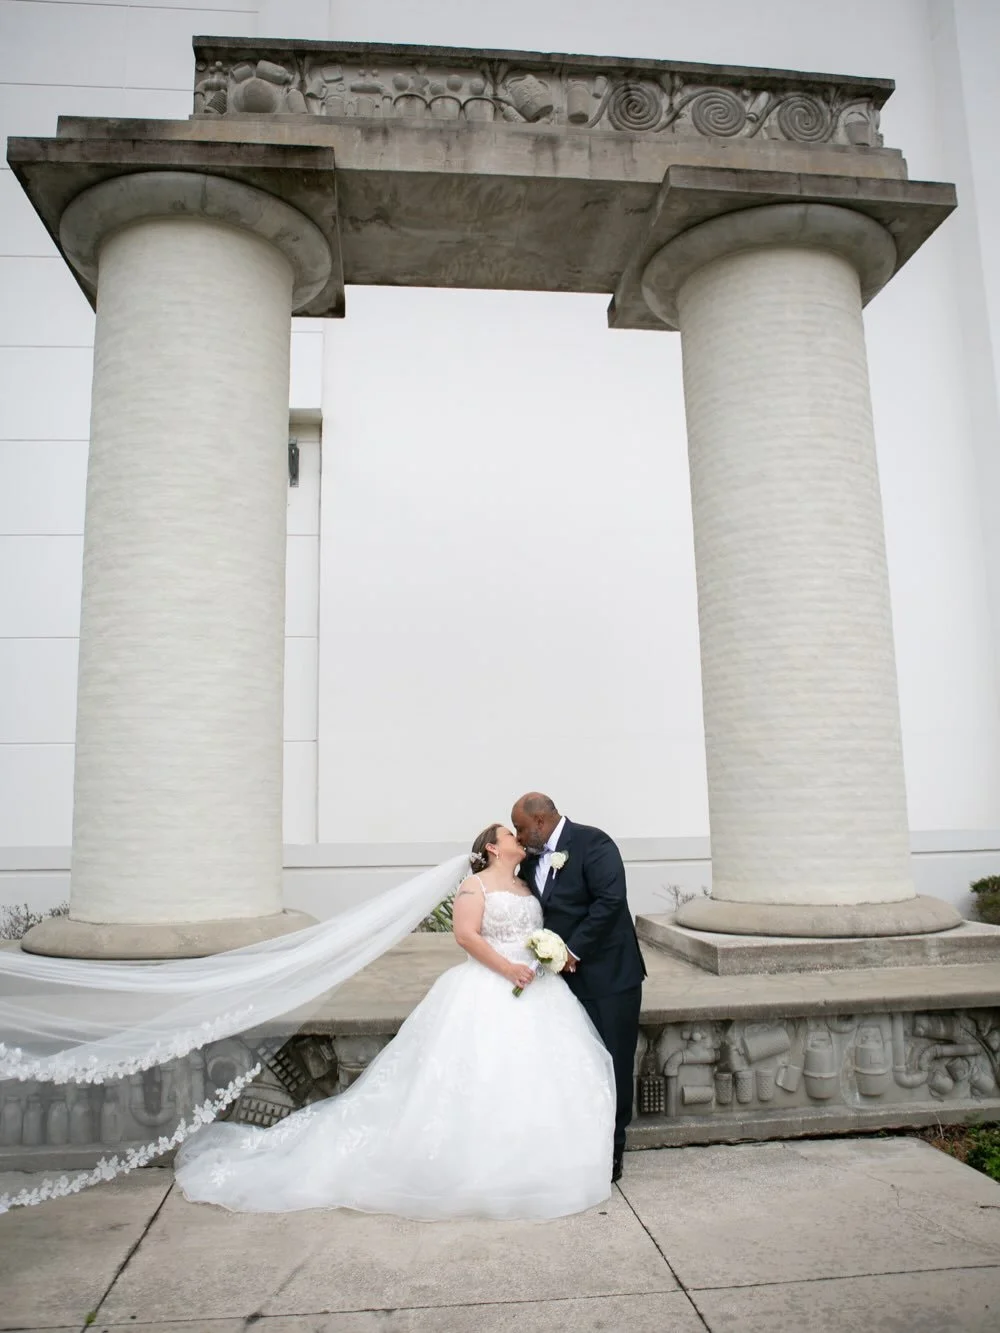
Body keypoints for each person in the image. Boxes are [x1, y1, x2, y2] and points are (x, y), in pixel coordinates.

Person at [172, 822, 616, 1219]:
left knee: (535, 1079)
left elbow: (535, 931)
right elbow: (465, 936)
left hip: (537, 990)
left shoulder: (525, 888)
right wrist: (507, 969)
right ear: (494, 848)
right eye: (509, 835)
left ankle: (535, 1163)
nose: (519, 839)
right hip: (490, 986)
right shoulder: (474, 887)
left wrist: (546, 954)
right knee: (479, 1076)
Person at [511, 794, 646, 1183]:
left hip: (609, 978)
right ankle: (581, 1145)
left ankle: (613, 1151)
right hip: (561, 986)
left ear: (539, 821)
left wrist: (573, 951)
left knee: (614, 1062)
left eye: (521, 828)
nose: (519, 837)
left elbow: (610, 902)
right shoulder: (533, 858)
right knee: (577, 1065)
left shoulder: (594, 843)